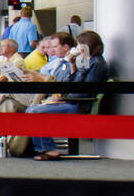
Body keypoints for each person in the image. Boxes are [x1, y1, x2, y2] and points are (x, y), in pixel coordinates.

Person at [30, 30, 109, 161]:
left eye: (79, 45)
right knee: (31, 109)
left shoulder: (97, 64)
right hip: (72, 101)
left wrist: (62, 99)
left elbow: (83, 91)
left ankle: (49, 149)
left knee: (35, 111)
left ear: (86, 46)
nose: (76, 48)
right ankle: (42, 148)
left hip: (79, 104)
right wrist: (73, 66)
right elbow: (73, 84)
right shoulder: (85, 61)